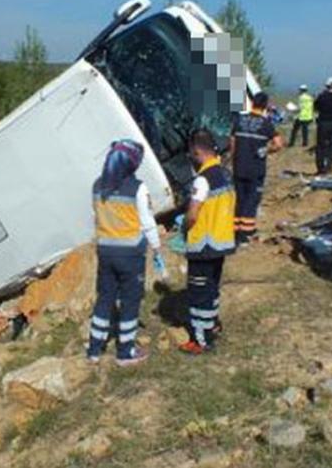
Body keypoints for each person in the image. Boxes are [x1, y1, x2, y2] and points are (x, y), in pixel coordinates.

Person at [87, 139, 162, 366]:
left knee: (105, 298)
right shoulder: (138, 188)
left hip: (106, 251)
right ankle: (125, 351)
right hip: (130, 255)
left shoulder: (97, 186)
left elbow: (96, 216)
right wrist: (157, 249)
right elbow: (147, 222)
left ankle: (94, 349)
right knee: (130, 300)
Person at [180, 130, 236, 354]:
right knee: (212, 288)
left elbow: (193, 214)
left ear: (196, 152)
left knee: (199, 292)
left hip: (203, 245)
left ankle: (200, 340)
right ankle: (213, 324)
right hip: (220, 243)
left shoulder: (202, 180)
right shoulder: (224, 173)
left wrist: (183, 228)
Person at [229, 92, 283, 244]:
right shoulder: (266, 124)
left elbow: (232, 142)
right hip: (256, 169)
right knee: (251, 200)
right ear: (265, 106)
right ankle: (246, 233)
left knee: (239, 199)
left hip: (239, 166)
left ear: (252, 103)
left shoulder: (239, 120)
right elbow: (278, 143)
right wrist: (266, 150)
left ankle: (236, 230)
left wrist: (234, 159)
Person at [314, 77, 332, 174]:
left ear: (326, 86)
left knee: (320, 146)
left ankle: (320, 167)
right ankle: (329, 166)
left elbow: (316, 107)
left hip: (323, 122)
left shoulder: (322, 96)